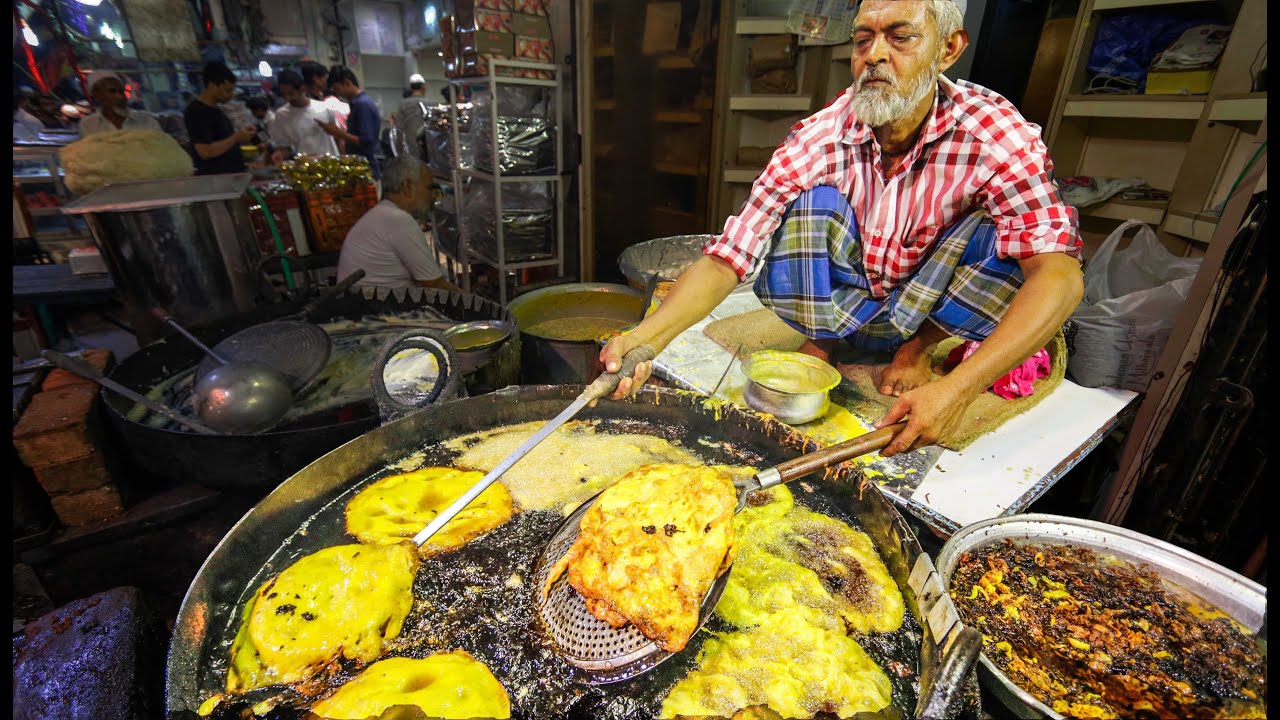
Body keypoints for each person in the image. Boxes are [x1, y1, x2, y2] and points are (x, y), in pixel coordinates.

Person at [599, 0, 1084, 458]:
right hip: (845, 296)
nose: (874, 55)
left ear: (948, 49)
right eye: (863, 39)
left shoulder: (994, 136)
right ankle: (824, 338)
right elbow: (730, 255)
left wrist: (957, 390)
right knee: (812, 204)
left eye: (900, 37)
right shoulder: (818, 137)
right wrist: (648, 337)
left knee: (1007, 237)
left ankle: (915, 351)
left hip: (928, 303)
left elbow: (1059, 277)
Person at [336, 156, 460, 293]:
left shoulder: (383, 214)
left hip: (366, 304)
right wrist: (481, 307)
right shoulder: (398, 221)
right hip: (376, 309)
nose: (433, 196)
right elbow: (435, 284)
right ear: (407, 187)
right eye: (430, 188)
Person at [184, 61, 256, 175]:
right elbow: (205, 151)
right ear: (212, 86)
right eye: (227, 90)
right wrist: (236, 137)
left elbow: (224, 142)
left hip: (232, 174)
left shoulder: (216, 109)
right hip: (217, 179)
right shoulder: (197, 111)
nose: (231, 95)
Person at [323, 66, 383, 181]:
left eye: (337, 89)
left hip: (366, 168)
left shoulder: (362, 105)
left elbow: (367, 141)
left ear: (347, 83)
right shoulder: (357, 104)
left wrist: (339, 133)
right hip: (362, 167)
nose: (338, 94)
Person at [267, 70, 340, 163]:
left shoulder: (324, 108)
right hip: (305, 167)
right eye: (284, 94)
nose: (288, 98)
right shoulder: (281, 115)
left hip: (331, 163)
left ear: (302, 89)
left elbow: (338, 135)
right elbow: (284, 146)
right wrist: (279, 154)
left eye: (291, 93)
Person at [79, 71, 162, 136]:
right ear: (97, 95)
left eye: (121, 92)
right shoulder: (88, 125)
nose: (120, 97)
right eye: (112, 91)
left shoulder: (147, 121)